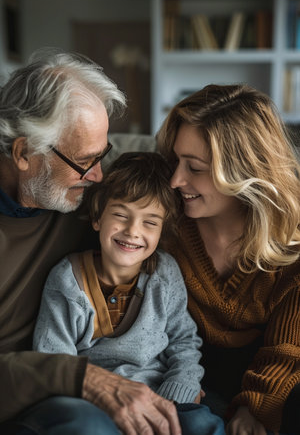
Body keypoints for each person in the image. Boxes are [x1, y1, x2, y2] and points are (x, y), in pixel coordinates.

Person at [0, 48, 183, 435]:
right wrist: (82, 378)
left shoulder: (86, 201)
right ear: (23, 153)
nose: (99, 177)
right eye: (86, 161)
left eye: (103, 155)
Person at [33, 151, 225, 435]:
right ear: (97, 218)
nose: (133, 231)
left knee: (203, 423)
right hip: (95, 401)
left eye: (150, 222)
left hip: (161, 395)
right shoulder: (67, 280)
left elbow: (183, 341)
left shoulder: (165, 273)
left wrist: (178, 392)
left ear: (162, 231)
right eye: (121, 215)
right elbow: (53, 360)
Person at [156, 83, 300, 435]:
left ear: (244, 171)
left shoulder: (292, 245)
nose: (176, 180)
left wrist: (255, 407)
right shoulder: (161, 225)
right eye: (176, 161)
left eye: (195, 168)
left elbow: (289, 348)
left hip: (269, 383)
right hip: (181, 384)